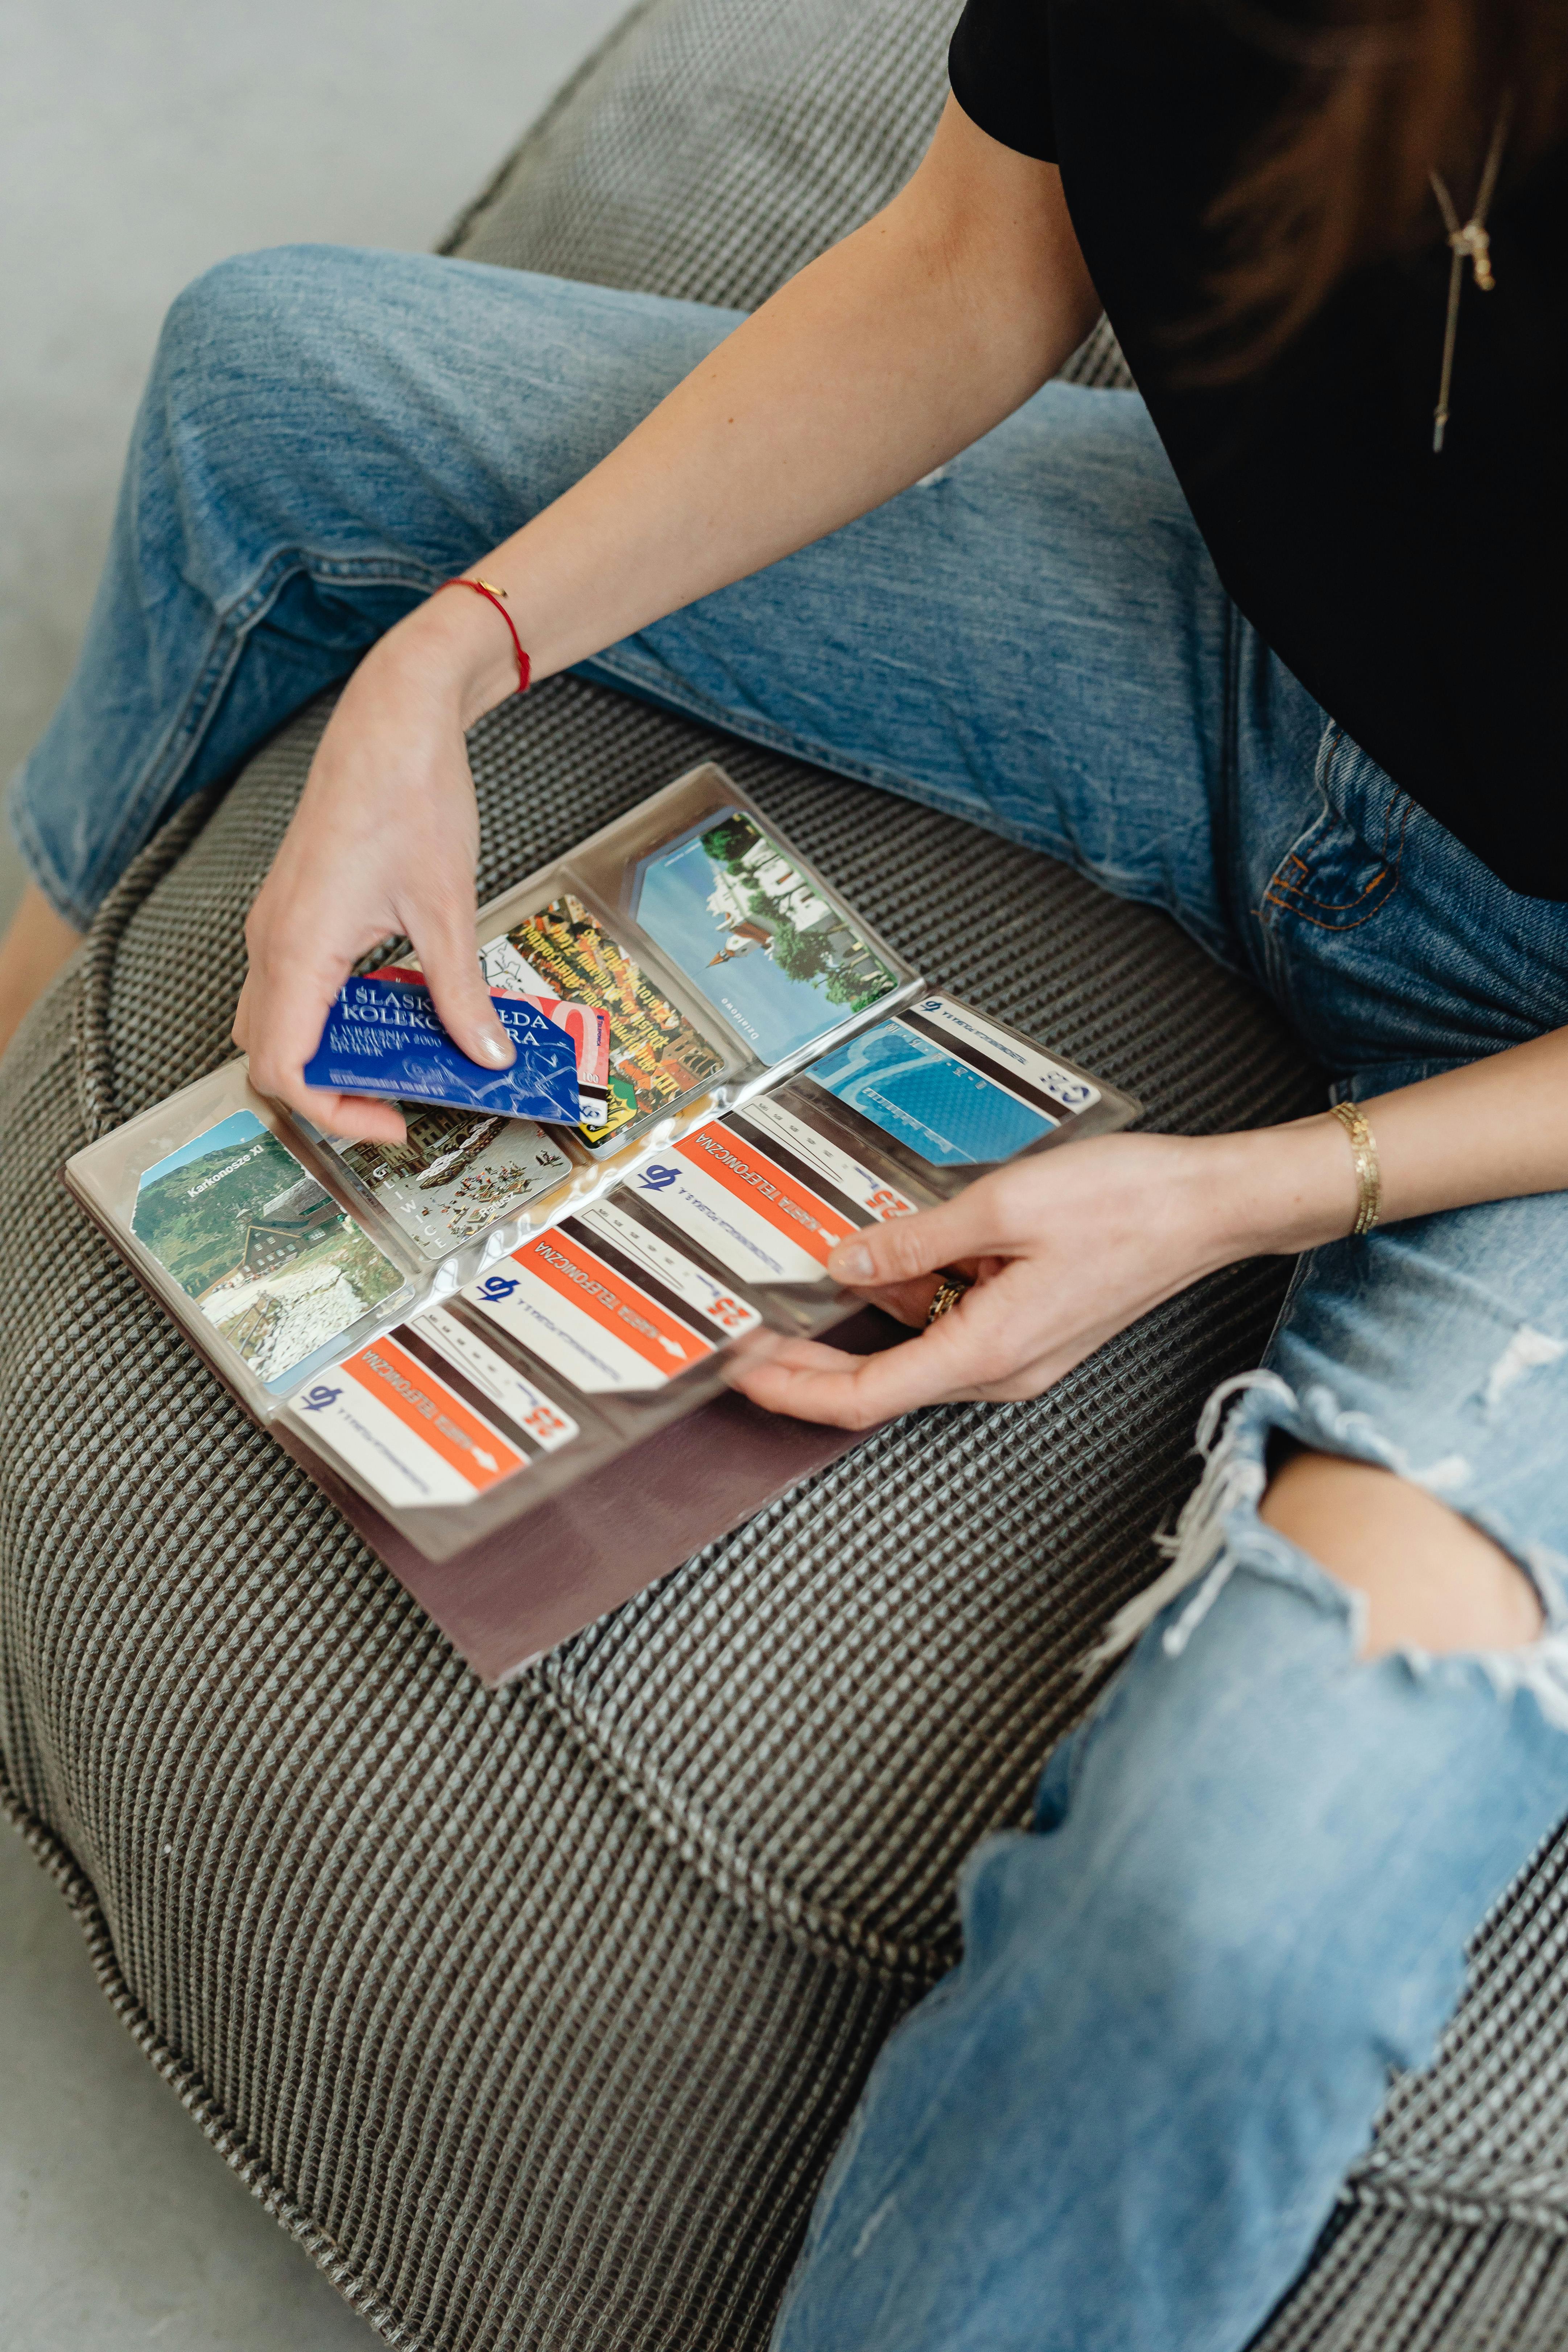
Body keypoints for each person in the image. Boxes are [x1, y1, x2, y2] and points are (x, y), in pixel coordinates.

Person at [4, 0, 1567, 2337]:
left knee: (1230, 1906)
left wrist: (1246, 1187)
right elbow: (972, 265)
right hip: (1245, 673)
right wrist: (449, 664)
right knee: (277, 383)